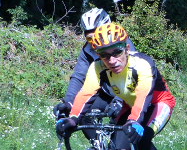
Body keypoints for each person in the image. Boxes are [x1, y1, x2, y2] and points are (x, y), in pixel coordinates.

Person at [56, 22, 175, 150]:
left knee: (143, 139)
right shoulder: (97, 68)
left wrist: (134, 121)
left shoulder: (143, 64)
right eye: (104, 55)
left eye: (117, 52)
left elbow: (143, 96)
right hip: (130, 105)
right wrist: (72, 119)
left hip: (157, 103)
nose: (111, 60)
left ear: (127, 48)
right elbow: (85, 94)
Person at [52, 8, 136, 138]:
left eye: (97, 35)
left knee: (123, 139)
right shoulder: (88, 49)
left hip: (130, 93)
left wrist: (120, 100)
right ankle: (99, 148)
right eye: (89, 38)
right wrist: (69, 103)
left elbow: (133, 75)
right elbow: (79, 77)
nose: (94, 42)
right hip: (107, 92)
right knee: (84, 114)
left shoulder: (122, 44)